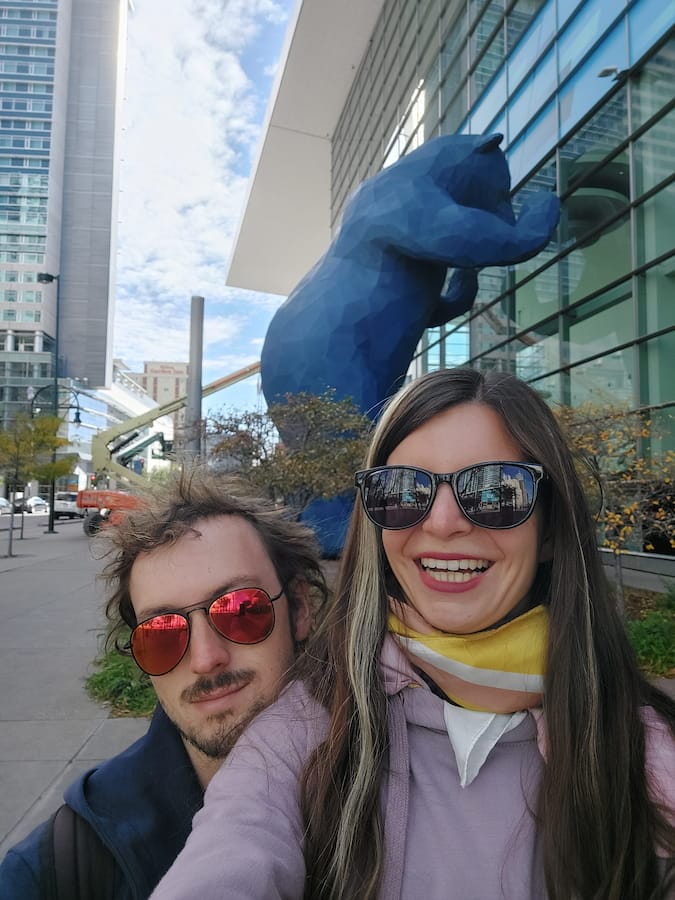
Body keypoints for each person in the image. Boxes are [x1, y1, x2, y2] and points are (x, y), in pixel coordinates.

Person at [151, 368, 675, 900]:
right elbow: (234, 850)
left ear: (549, 530)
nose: (443, 522)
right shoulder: (308, 729)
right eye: (404, 490)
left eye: (495, 489)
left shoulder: (648, 753)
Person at [0, 467, 328, 899]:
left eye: (240, 609)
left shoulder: (401, 788)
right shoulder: (63, 863)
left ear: (300, 608)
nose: (205, 659)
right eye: (162, 634)